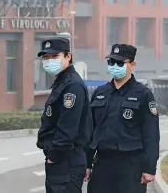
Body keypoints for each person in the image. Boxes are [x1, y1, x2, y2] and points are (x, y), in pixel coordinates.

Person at [86, 44, 160, 193]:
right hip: (102, 163)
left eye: (120, 63)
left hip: (130, 165)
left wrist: (150, 168)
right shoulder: (100, 92)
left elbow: (151, 134)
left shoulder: (143, 94)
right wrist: (86, 163)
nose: (114, 66)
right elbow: (90, 130)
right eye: (111, 62)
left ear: (132, 65)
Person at [36, 37, 93, 193]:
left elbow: (68, 126)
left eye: (55, 56)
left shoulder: (72, 85)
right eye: (46, 57)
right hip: (61, 161)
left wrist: (53, 155)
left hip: (67, 160)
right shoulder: (61, 83)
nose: (49, 61)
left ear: (68, 56)